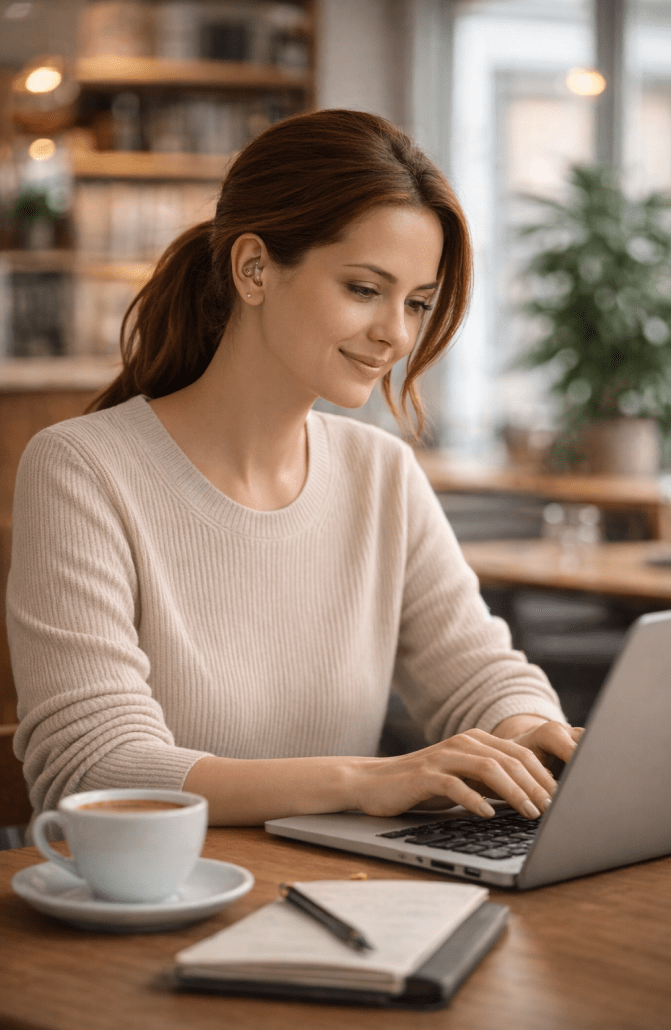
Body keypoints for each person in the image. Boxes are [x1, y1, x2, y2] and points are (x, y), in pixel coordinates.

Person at [8, 109, 580, 825]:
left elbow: (477, 673)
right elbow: (94, 766)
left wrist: (527, 731)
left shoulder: (381, 472)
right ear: (253, 269)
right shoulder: (83, 469)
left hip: (348, 899)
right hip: (165, 913)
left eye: (417, 303)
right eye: (364, 290)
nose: (395, 335)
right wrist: (363, 781)